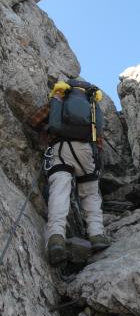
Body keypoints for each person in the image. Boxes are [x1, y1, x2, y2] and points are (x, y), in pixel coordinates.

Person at [28, 79, 110, 266]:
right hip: (86, 152)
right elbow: (99, 138)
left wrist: (48, 127)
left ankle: (56, 237)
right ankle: (97, 235)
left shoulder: (61, 100)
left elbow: (33, 121)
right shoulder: (91, 106)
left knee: (60, 190)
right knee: (90, 193)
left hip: (61, 149)